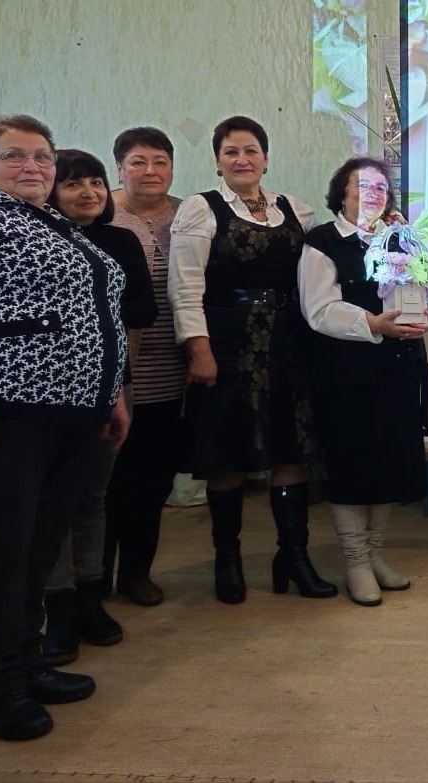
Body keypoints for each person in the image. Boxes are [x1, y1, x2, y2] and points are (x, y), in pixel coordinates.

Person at [0, 115, 129, 741]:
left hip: (76, 414)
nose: (33, 167)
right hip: (12, 415)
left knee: (38, 548)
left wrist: (111, 394)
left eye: (43, 156)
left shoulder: (51, 223)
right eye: (15, 156)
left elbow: (94, 313)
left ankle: (26, 662)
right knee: (1, 554)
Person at [168, 115, 336, 603]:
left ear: (266, 158)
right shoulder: (201, 209)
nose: (242, 160)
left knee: (290, 450)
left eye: (250, 151)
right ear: (217, 161)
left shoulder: (295, 209)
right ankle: (228, 560)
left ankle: (294, 557)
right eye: (231, 152)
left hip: (288, 342)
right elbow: (185, 287)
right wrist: (197, 348)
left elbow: (320, 269)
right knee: (228, 454)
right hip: (226, 343)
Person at [298, 157, 428, 606]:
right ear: (341, 194)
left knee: (388, 466)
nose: (372, 193)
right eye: (361, 185)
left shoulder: (402, 239)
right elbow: (318, 309)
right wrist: (373, 324)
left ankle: (375, 555)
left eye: (380, 187)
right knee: (352, 467)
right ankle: (355, 562)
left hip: (400, 369)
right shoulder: (322, 241)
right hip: (347, 373)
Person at [41, 149, 156, 665]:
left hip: (113, 382)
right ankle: (59, 607)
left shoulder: (119, 240)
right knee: (55, 501)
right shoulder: (37, 240)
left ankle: (91, 597)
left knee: (93, 494)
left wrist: (84, 311)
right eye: (73, 184)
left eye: (95, 182)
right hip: (51, 389)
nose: (88, 192)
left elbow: (144, 309)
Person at [103, 127, 188, 608]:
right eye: (138, 162)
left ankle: (137, 573)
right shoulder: (101, 213)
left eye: (160, 161)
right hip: (116, 375)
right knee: (106, 482)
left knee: (152, 480)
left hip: (170, 370)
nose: (150, 171)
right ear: (119, 168)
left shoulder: (187, 214)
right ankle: (94, 578)